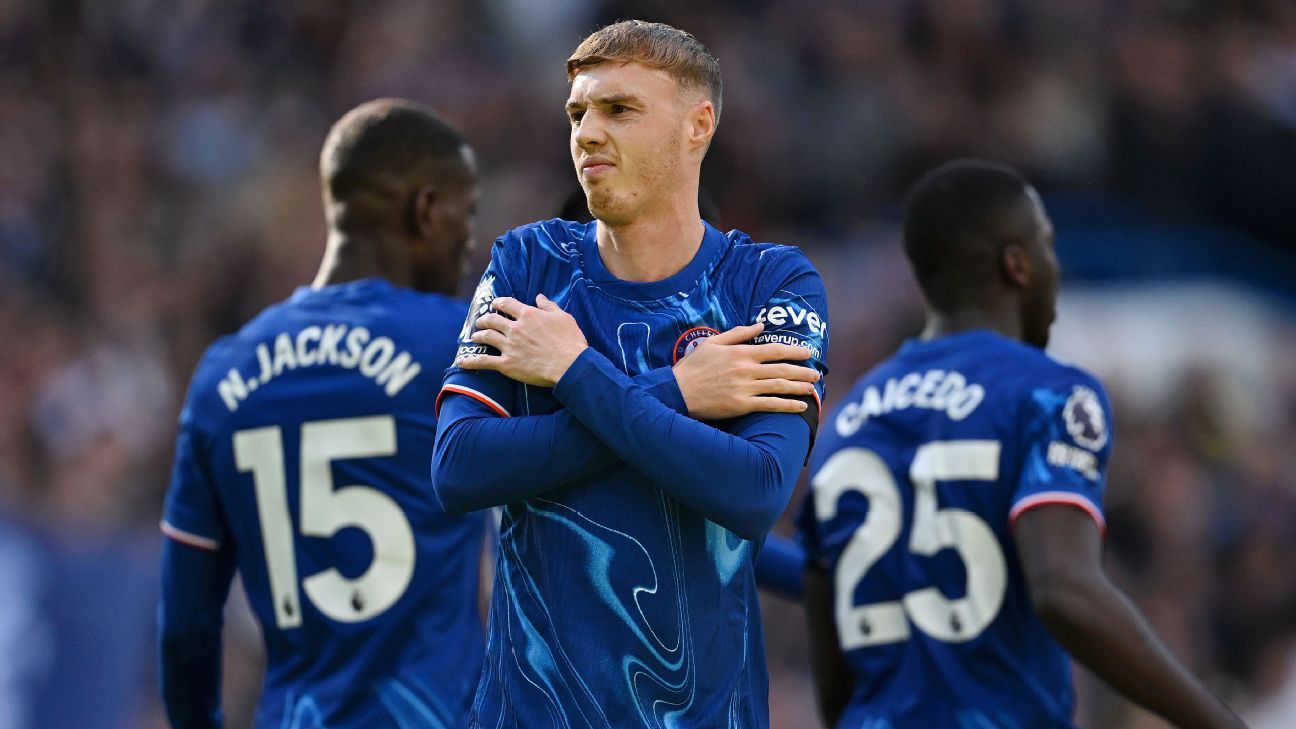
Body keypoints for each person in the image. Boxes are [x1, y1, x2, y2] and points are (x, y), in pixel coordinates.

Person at [431, 20, 828, 727]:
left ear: (697, 125)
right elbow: (459, 467)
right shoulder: (527, 265)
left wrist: (574, 373)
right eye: (577, 112)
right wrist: (677, 393)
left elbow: (757, 488)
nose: (586, 132)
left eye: (618, 109)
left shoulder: (771, 284)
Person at [797, 160, 1246, 728]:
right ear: (1017, 264)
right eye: (1048, 246)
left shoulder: (846, 422)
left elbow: (835, 672)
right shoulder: (1046, 392)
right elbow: (1063, 589)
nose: (1054, 268)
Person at [158, 99, 486, 728]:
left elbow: (186, 627)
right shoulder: (456, 343)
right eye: (464, 216)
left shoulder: (222, 375)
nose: (470, 243)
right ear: (424, 211)